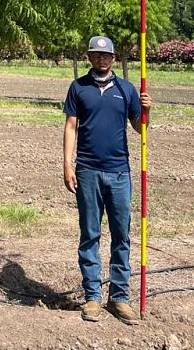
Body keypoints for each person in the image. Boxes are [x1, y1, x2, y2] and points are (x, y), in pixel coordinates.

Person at [63, 35, 152, 325]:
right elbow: (71, 126)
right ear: (89, 57)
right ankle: (92, 297)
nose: (101, 59)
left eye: (106, 56)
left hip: (119, 173)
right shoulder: (78, 88)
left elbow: (140, 129)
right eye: (96, 55)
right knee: (90, 234)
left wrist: (147, 109)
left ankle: (120, 298)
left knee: (121, 236)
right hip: (87, 170)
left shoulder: (126, 90)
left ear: (113, 58)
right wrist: (67, 164)